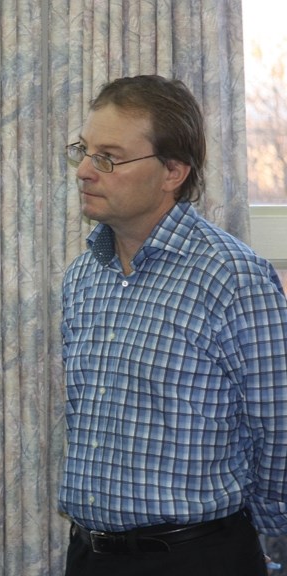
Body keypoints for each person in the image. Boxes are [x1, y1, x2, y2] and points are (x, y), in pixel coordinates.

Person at [59, 74, 287, 575]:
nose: (84, 171)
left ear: (173, 171)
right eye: (84, 150)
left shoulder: (232, 277)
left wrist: (266, 532)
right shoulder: (82, 277)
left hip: (195, 556)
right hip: (89, 555)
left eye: (109, 157)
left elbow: (278, 429)